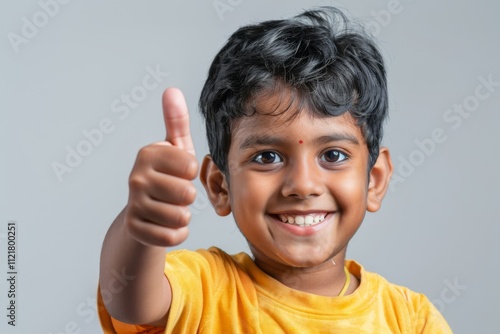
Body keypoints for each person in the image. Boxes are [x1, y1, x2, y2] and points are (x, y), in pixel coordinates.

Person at [98, 6, 452, 333]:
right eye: (267, 157)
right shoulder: (205, 290)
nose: (302, 185)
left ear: (374, 180)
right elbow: (130, 300)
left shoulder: (411, 319)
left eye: (332, 155)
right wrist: (141, 226)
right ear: (220, 186)